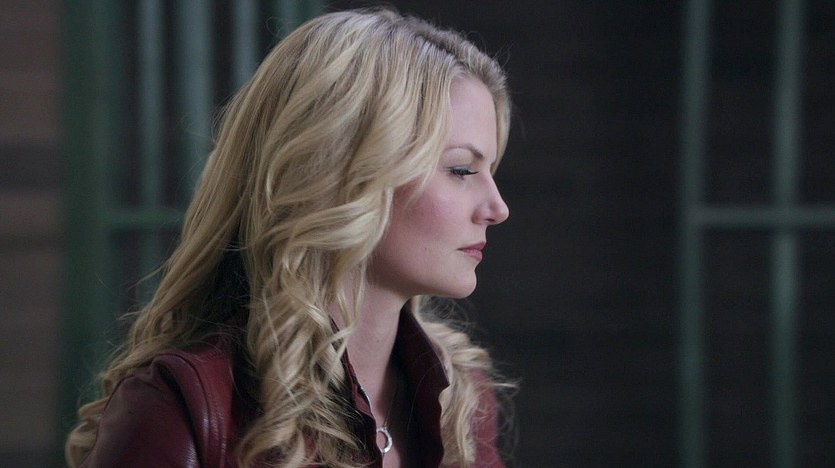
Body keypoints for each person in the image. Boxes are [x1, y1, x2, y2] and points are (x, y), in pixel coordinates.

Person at [65, 8, 513, 467]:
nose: (497, 208)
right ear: (340, 172)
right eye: (462, 170)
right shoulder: (183, 408)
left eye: (490, 171)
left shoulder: (462, 405)